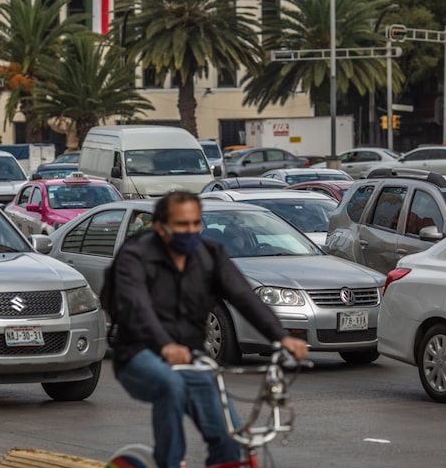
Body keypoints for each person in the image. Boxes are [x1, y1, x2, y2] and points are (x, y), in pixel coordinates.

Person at [111, 191, 308, 468]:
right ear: (161, 227)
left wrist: (281, 337)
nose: (190, 231)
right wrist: (164, 345)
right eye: (182, 225)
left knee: (230, 440)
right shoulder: (135, 257)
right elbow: (137, 306)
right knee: (171, 384)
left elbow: (245, 297)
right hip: (138, 353)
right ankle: (168, 463)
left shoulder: (209, 256)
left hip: (191, 357)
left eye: (195, 224)